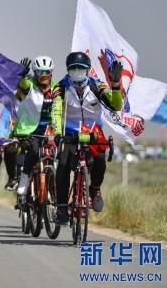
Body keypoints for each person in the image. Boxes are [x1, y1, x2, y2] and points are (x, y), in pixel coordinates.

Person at [52, 52, 123, 224]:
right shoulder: (60, 87)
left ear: (87, 70)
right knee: (62, 165)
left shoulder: (97, 86)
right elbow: (56, 112)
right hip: (70, 133)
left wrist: (114, 85)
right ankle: (62, 207)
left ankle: (95, 190)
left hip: (93, 132)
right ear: (68, 70)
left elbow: (115, 105)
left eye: (81, 68)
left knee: (99, 159)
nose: (77, 71)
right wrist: (57, 134)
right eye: (73, 68)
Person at [13, 56, 57, 198]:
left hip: (49, 130)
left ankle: (54, 189)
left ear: (51, 73)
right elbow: (23, 87)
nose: (43, 76)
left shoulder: (56, 89)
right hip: (30, 130)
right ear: (35, 73)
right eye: (39, 72)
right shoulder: (30, 85)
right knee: (33, 150)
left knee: (59, 155)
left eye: (46, 72)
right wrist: (22, 76)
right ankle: (25, 178)